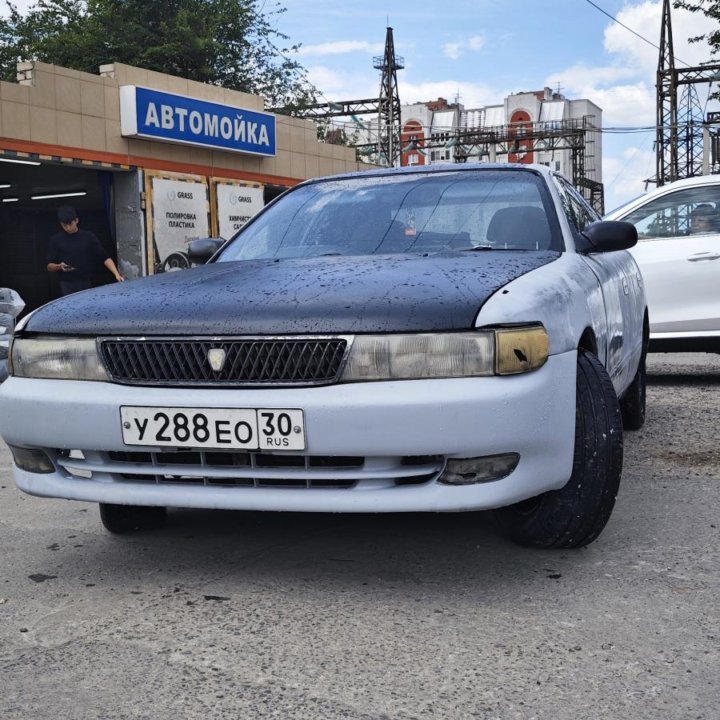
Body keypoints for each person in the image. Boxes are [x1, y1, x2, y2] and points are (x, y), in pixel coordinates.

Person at [47, 205, 124, 296]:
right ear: (60, 224)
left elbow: (104, 257)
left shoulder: (88, 237)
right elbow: (49, 266)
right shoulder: (56, 240)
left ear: (76, 220)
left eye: (70, 224)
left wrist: (116, 274)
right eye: (64, 225)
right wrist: (60, 266)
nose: (68, 228)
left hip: (87, 282)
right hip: (66, 284)